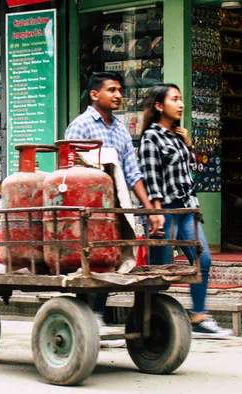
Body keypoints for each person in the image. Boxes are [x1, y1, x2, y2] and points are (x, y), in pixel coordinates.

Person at [64, 72, 164, 324]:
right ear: (94, 94)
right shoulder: (81, 126)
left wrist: (150, 208)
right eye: (112, 90)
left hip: (116, 209)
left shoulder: (120, 129)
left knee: (110, 259)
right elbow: (69, 171)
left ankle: (97, 313)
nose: (118, 95)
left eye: (119, 90)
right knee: (88, 260)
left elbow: (132, 172)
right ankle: (85, 314)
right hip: (87, 210)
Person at [138, 83, 231, 338]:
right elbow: (151, 177)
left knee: (203, 259)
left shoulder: (178, 136)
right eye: (174, 99)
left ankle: (199, 316)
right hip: (166, 211)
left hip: (187, 209)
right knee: (159, 268)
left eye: (181, 99)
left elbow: (190, 171)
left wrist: (188, 143)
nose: (181, 104)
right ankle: (146, 319)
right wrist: (155, 212)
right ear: (159, 106)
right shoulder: (151, 137)